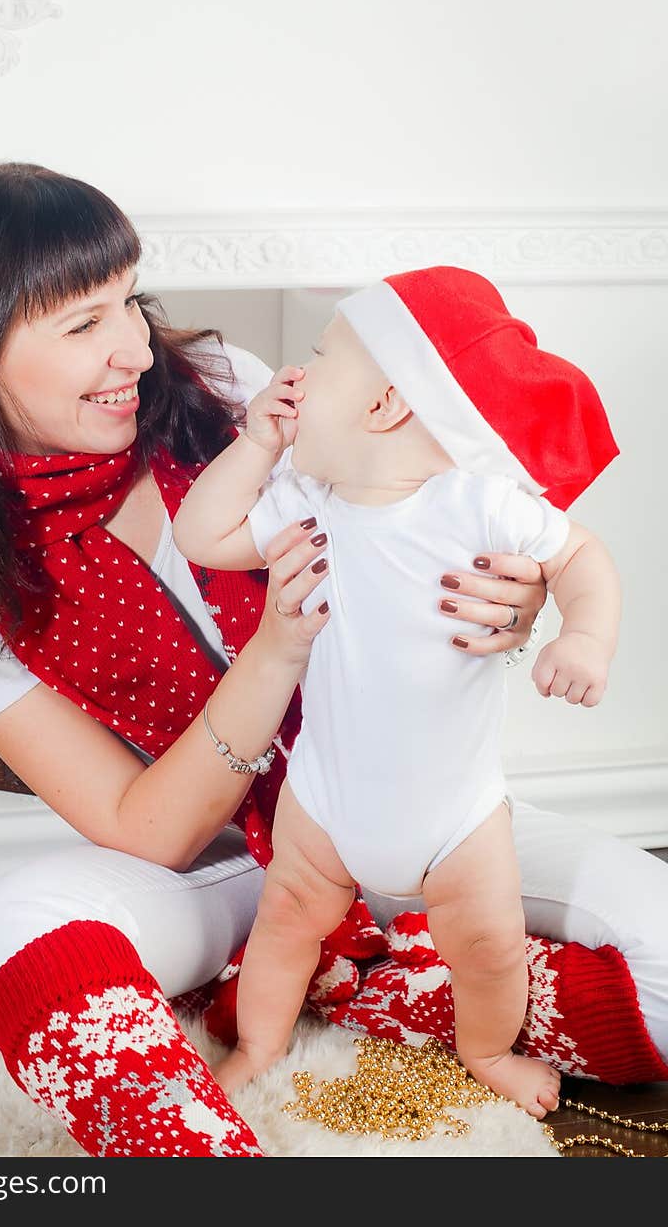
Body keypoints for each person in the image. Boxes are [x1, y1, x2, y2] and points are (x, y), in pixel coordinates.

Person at [0, 165, 668, 1159]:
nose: (135, 348)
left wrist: (517, 600)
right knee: (18, 922)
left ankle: (398, 988)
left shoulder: (230, 389)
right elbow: (149, 831)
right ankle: (204, 1149)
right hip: (238, 868)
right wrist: (272, 653)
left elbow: (415, 517)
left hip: (422, 806)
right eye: (83, 323)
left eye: (129, 302)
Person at [171, 267, 621, 1118]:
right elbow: (205, 533)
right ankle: (262, 1043)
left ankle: (485, 1049)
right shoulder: (311, 501)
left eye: (319, 358)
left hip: (457, 818)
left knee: (487, 948)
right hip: (326, 802)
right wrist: (258, 447)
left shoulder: (479, 506)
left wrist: (584, 636)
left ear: (384, 407)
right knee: (284, 923)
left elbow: (583, 559)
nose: (293, 381)